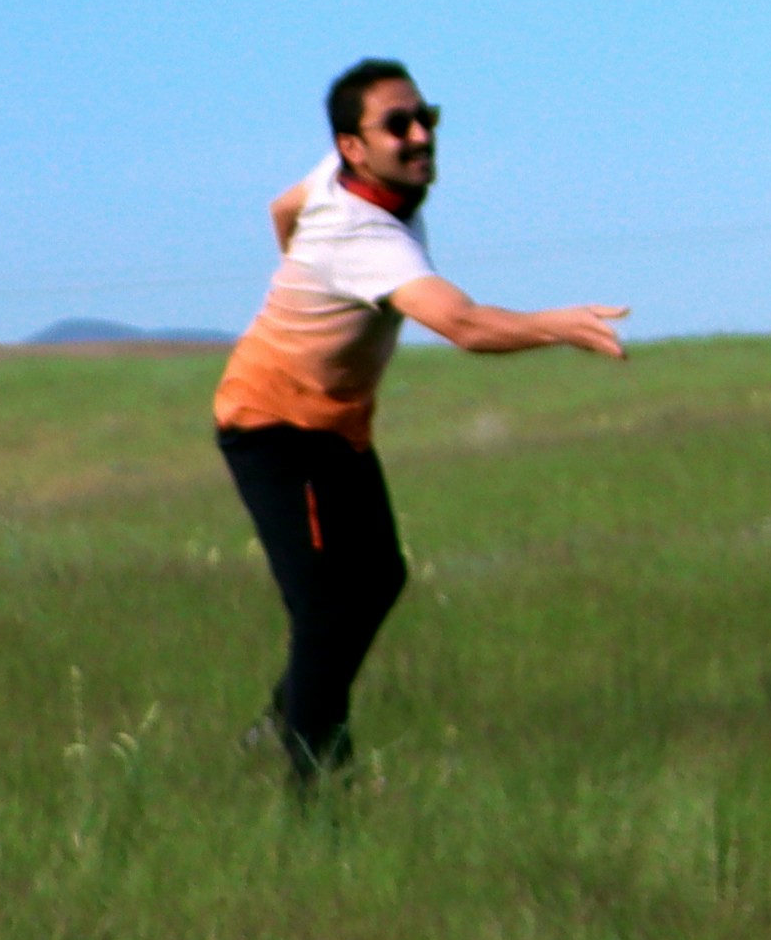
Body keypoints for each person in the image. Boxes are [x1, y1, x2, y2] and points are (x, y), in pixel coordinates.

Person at [210, 58, 626, 782]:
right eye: (397, 124)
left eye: (424, 116)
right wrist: (556, 324)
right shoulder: (362, 235)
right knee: (325, 611)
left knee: (378, 578)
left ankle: (285, 718)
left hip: (337, 423)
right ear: (354, 146)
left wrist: (303, 271)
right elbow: (463, 325)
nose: (418, 134)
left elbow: (281, 208)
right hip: (274, 424)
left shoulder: (344, 179)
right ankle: (318, 798)